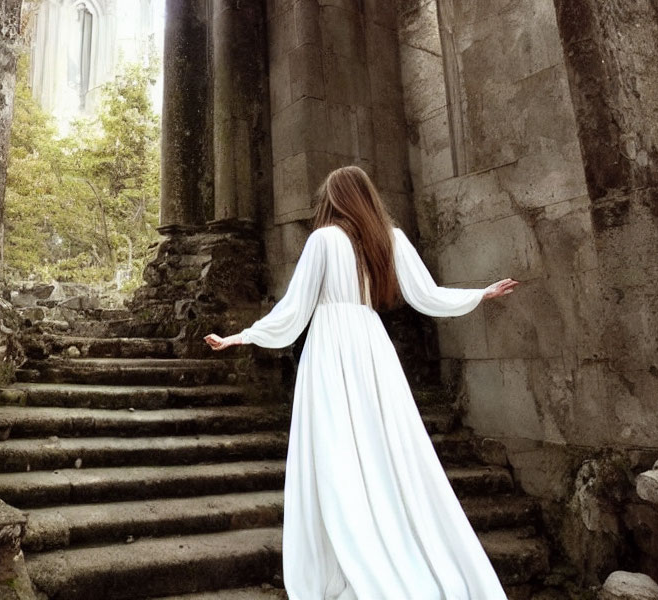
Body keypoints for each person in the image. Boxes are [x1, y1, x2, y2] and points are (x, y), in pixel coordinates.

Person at [204, 165, 518, 600]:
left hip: (332, 347)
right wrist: (478, 294)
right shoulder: (389, 239)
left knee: (335, 449)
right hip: (372, 346)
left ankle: (354, 550)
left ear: (333, 199)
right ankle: (394, 546)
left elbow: (295, 310)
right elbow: (427, 294)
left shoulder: (324, 240)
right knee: (383, 445)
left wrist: (244, 335)